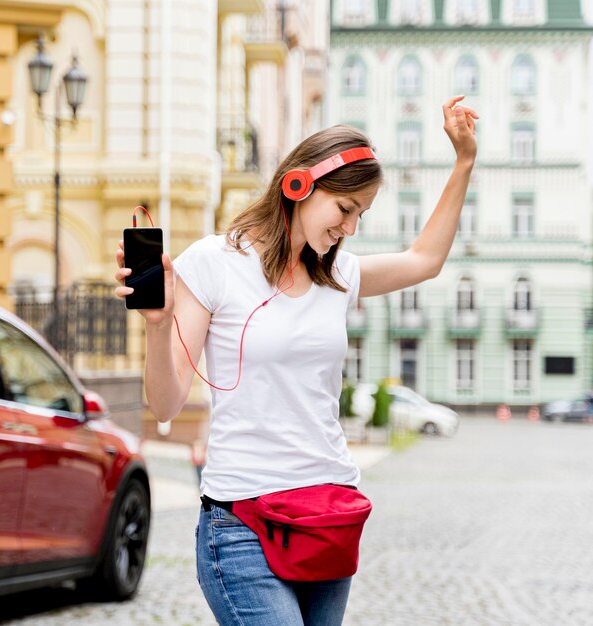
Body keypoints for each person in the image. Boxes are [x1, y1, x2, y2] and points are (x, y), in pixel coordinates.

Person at [115, 95, 478, 625]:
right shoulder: (214, 263)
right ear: (298, 186)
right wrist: (155, 326)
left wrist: (463, 160)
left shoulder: (339, 275)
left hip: (328, 518)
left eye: (362, 214)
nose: (350, 228)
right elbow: (166, 403)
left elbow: (424, 260)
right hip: (243, 525)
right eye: (345, 209)